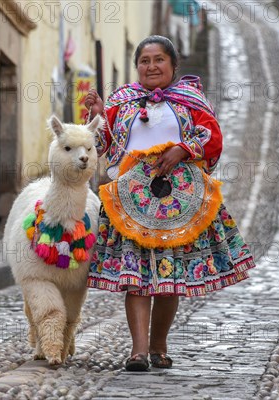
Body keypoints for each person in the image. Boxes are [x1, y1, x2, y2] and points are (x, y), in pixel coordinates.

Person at [84, 35, 256, 372]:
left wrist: (183, 149)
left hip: (177, 203)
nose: (151, 66)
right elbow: (101, 146)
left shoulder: (190, 101)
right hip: (130, 201)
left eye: (159, 59)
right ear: (137, 67)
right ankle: (137, 351)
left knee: (167, 277)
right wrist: (97, 115)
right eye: (144, 60)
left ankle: (158, 345)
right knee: (135, 276)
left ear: (174, 66)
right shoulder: (123, 101)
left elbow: (212, 136)